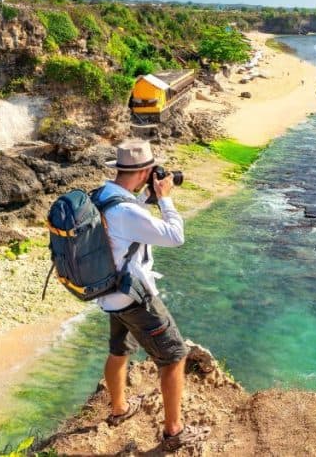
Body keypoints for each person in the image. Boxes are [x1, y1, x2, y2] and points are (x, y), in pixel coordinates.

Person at [95, 139, 208, 451]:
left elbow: (125, 223)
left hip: (109, 293)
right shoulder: (126, 211)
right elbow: (175, 237)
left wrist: (148, 198)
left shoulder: (103, 195)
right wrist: (166, 200)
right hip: (135, 298)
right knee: (174, 357)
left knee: (119, 351)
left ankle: (119, 408)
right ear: (145, 171)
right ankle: (174, 431)